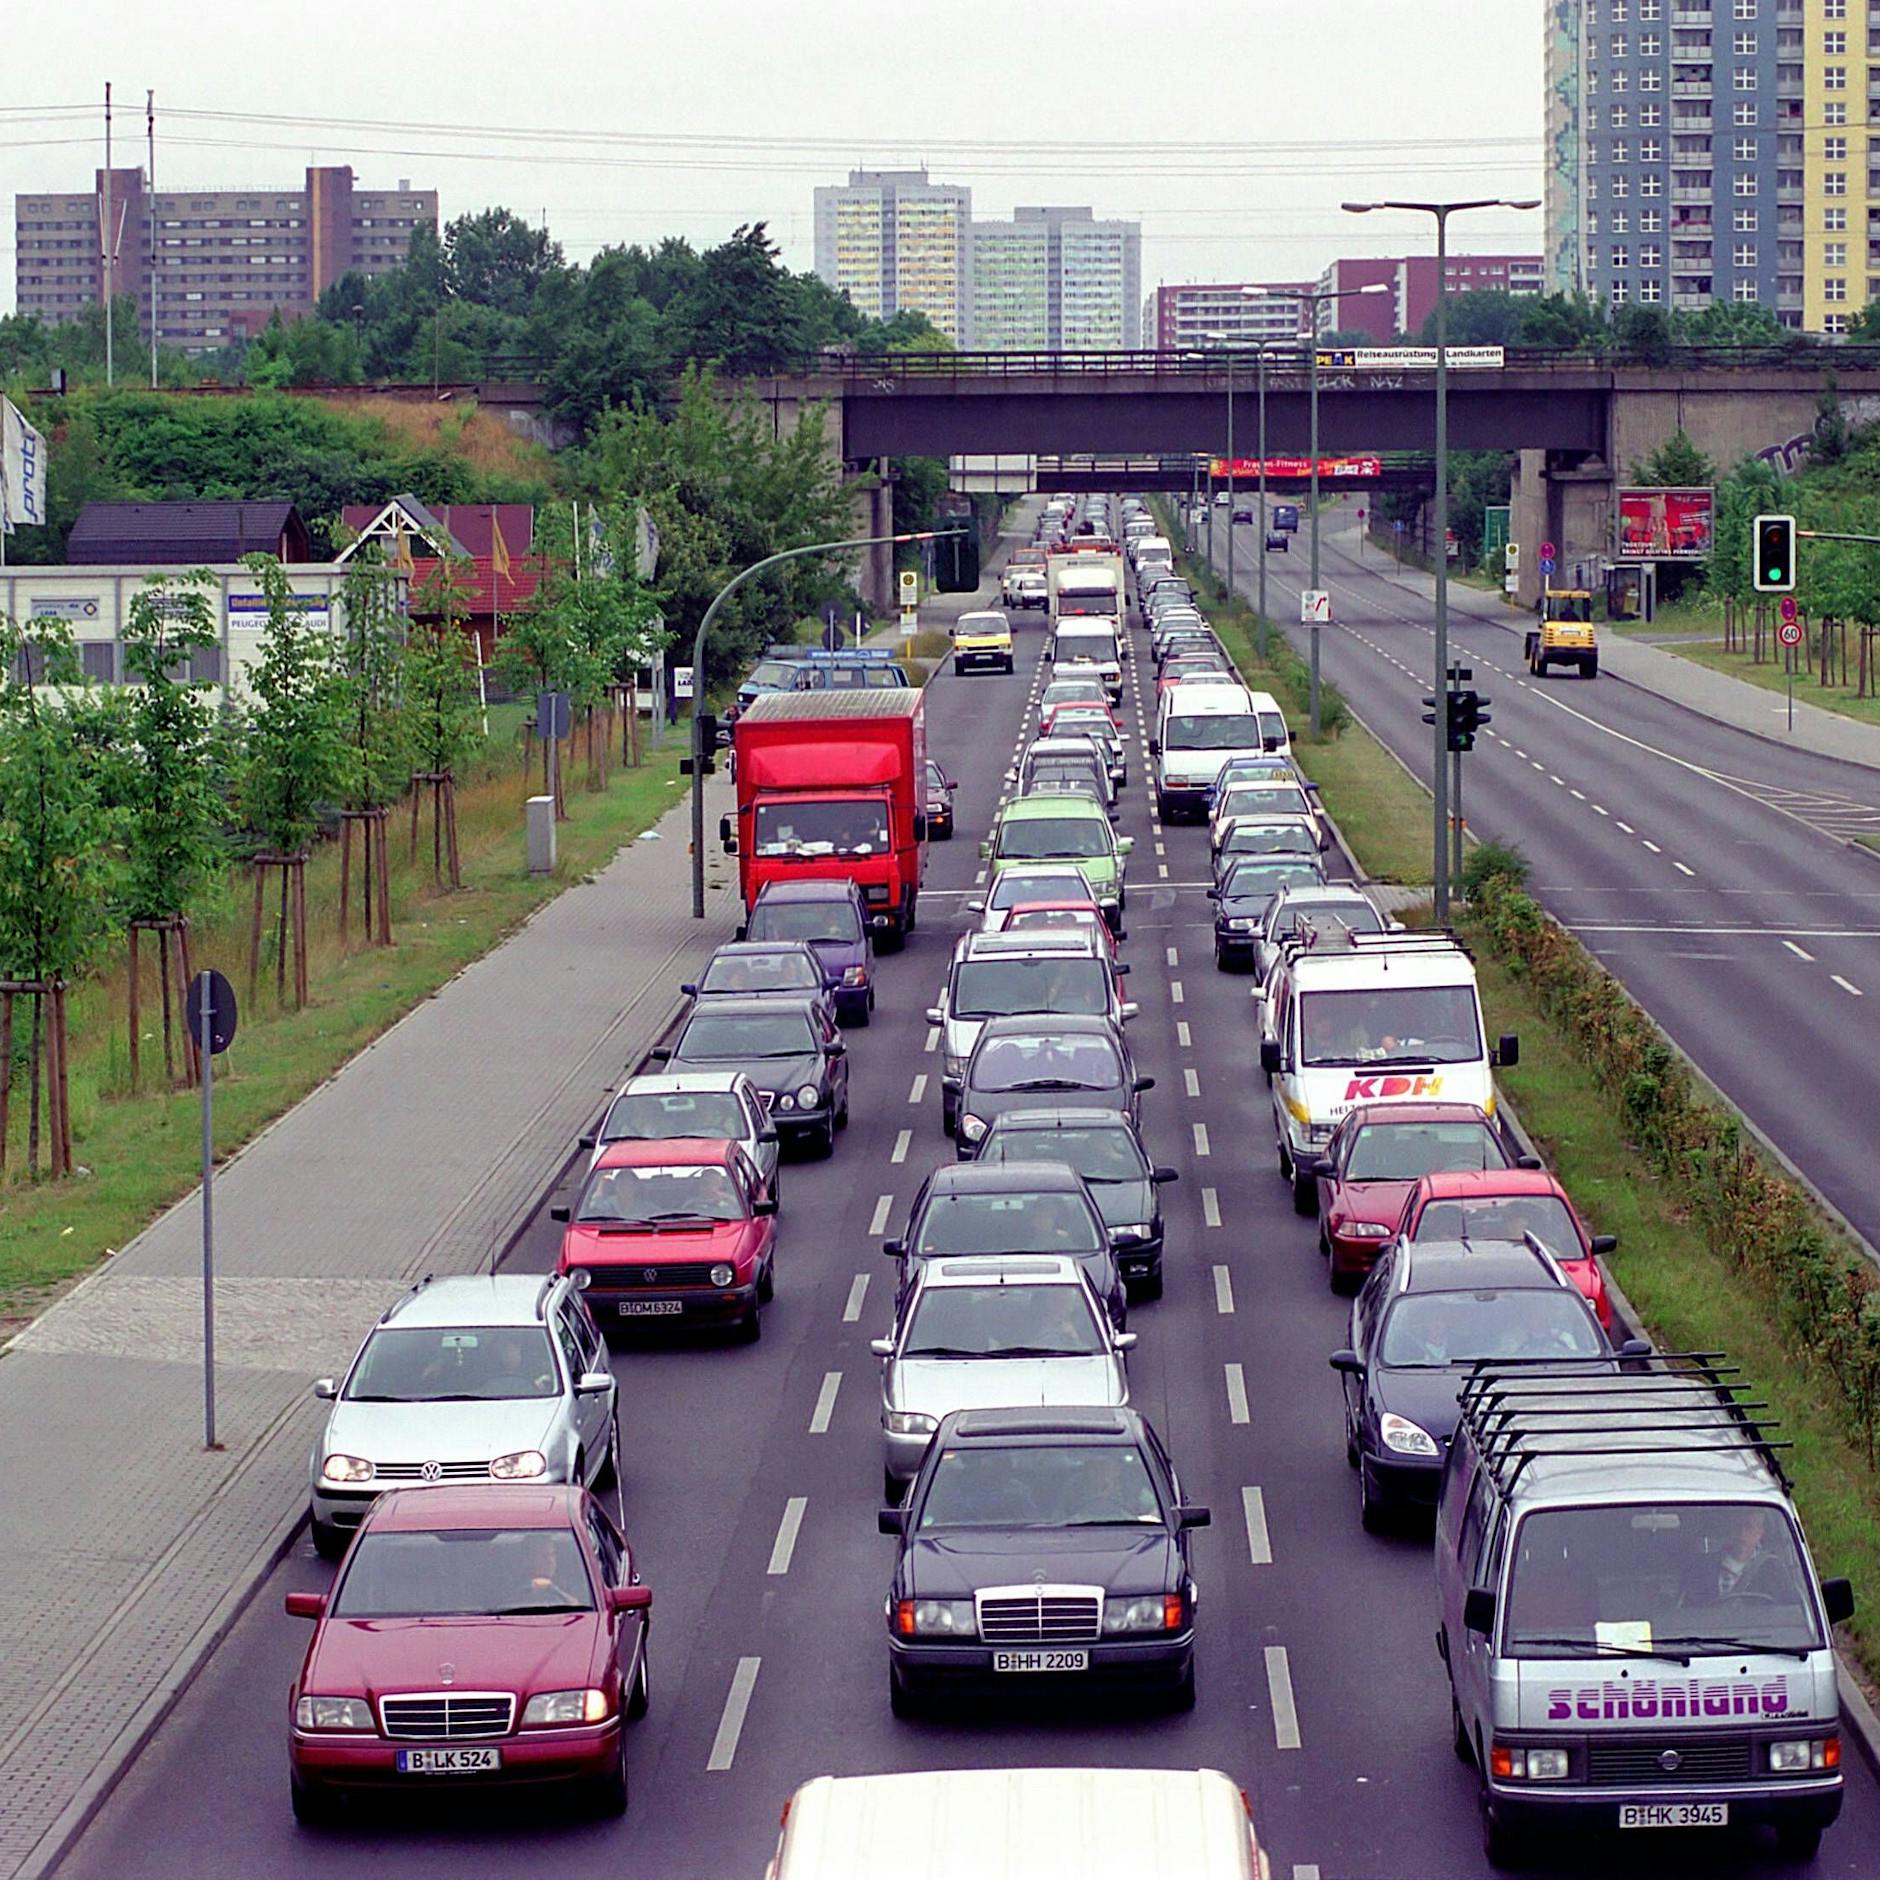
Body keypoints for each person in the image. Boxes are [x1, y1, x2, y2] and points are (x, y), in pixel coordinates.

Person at [520, 1534, 587, 1608]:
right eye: (544, 1556)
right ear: (529, 1559)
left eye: (552, 1555)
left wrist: (553, 1588)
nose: (550, 1560)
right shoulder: (514, 1585)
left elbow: (579, 1606)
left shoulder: (572, 1582)